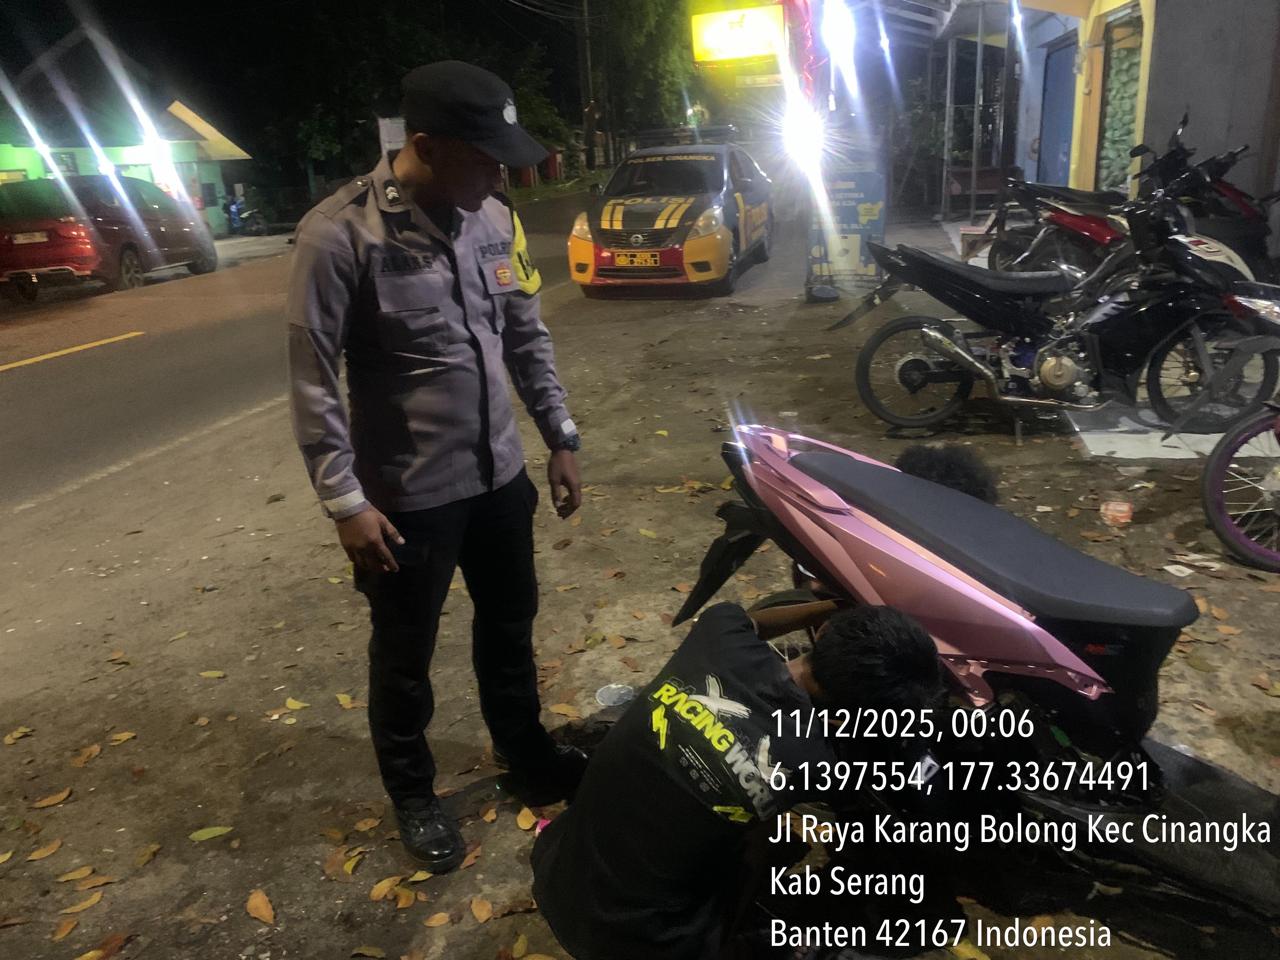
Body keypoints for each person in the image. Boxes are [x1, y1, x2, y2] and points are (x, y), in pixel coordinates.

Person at [286, 60, 586, 872]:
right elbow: (312, 381)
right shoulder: (338, 236)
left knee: (510, 630)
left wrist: (559, 435)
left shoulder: (491, 216)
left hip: (499, 481)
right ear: (425, 146)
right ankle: (414, 795)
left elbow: (525, 335)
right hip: (406, 500)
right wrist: (345, 501)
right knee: (405, 654)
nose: (501, 176)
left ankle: (526, 756)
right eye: (486, 159)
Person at [532, 598, 943, 960]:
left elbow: (755, 622)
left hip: (558, 871)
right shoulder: (820, 763)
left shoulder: (719, 634)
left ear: (823, 632)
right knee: (768, 844)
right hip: (645, 944)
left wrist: (833, 606)